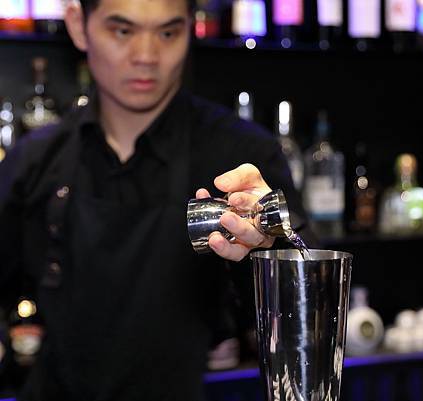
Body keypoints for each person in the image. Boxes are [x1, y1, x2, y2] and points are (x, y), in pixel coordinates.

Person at [0, 0, 311, 399]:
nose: (146, 56)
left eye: (167, 32)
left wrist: (271, 241)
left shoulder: (241, 154)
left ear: (190, 29)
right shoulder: (35, 160)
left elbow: (304, 313)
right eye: (122, 31)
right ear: (78, 26)